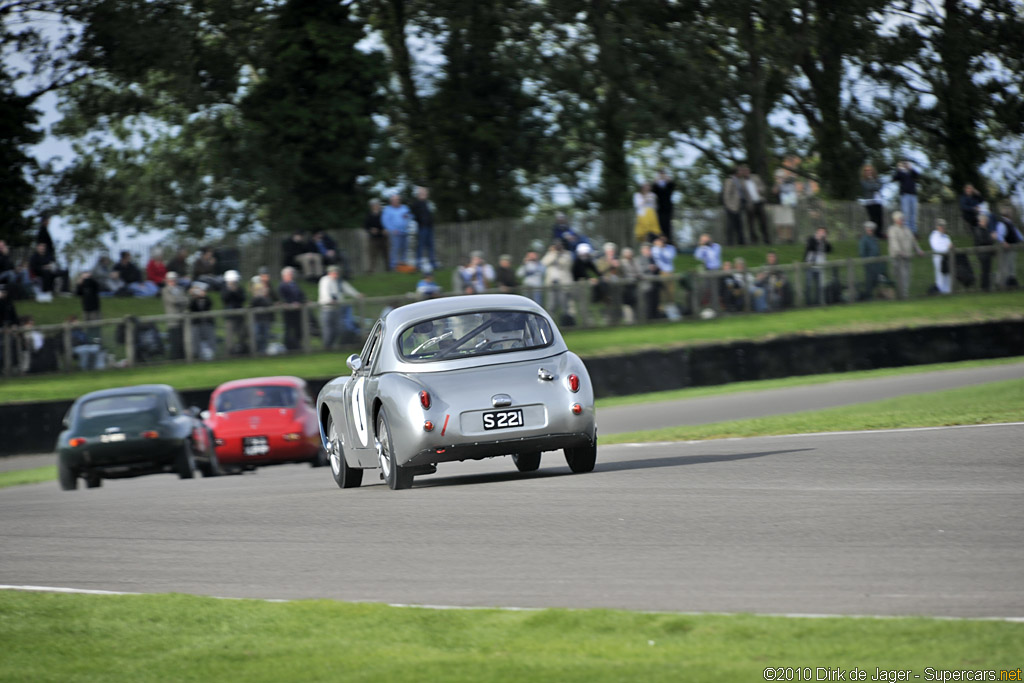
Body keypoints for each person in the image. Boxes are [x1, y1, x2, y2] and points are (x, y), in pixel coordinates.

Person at [318, 265, 362, 349]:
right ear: (330, 273)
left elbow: (347, 288)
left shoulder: (338, 281)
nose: (336, 274)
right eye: (334, 273)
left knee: (338, 329)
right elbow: (325, 292)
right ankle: (326, 347)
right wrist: (329, 299)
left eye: (337, 273)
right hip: (327, 309)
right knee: (328, 329)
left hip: (336, 309)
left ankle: (332, 346)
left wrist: (357, 294)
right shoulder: (325, 280)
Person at [888, 211, 924, 299]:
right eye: (900, 218)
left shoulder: (907, 229)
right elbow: (894, 243)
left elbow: (913, 241)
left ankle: (904, 295)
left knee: (907, 276)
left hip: (907, 257)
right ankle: (901, 296)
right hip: (898, 258)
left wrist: (918, 250)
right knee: (900, 277)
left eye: (902, 218)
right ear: (895, 220)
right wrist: (899, 251)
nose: (902, 220)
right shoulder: (892, 230)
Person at [541, 240, 573, 320]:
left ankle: (565, 322)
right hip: (551, 283)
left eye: (559, 245)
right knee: (551, 305)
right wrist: (553, 253)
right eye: (556, 245)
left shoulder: (567, 254)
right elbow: (544, 263)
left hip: (563, 284)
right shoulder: (550, 254)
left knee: (564, 304)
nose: (558, 247)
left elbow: (563, 264)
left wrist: (559, 254)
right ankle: (551, 321)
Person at [991, 205, 1022, 288]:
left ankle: (1010, 283)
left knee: (1011, 265)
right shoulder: (1003, 223)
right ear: (1008, 214)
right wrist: (1003, 242)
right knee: (1004, 266)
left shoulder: (1010, 223)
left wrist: (1021, 240)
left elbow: (1017, 234)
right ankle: (1001, 284)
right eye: (1010, 212)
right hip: (1006, 248)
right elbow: (1000, 235)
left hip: (1012, 247)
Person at [278, 266, 306, 351]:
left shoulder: (294, 284)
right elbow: (282, 298)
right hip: (288, 312)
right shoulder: (282, 286)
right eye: (289, 274)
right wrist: (291, 303)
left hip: (297, 311)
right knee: (288, 329)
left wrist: (300, 301)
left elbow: (301, 295)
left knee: (298, 328)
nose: (291, 275)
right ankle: (288, 347)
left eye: (291, 274)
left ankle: (297, 345)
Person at [162, 271, 189, 359]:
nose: (173, 282)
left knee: (183, 341)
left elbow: (187, 301)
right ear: (167, 281)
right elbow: (173, 301)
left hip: (182, 320)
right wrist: (181, 299)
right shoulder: (165, 290)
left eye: (174, 280)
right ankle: (175, 360)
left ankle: (183, 358)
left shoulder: (180, 289)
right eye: (170, 280)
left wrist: (180, 300)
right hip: (173, 321)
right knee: (175, 342)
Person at [382, 194, 411, 270]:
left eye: (397, 200)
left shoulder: (404, 208)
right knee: (395, 249)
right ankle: (393, 266)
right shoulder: (388, 209)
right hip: (395, 232)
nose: (396, 201)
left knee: (404, 248)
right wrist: (392, 229)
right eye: (394, 200)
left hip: (405, 231)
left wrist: (407, 217)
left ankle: (403, 263)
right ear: (391, 201)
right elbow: (385, 221)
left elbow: (410, 216)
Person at [803, 227, 832, 304]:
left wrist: (825, 241)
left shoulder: (824, 242)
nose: (822, 234)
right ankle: (808, 303)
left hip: (820, 267)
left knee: (819, 286)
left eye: (824, 232)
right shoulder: (811, 239)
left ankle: (818, 302)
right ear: (817, 232)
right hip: (810, 266)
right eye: (821, 232)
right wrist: (818, 240)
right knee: (809, 285)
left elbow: (830, 250)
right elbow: (811, 247)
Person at [221, 269, 247, 354]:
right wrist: (230, 290)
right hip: (230, 317)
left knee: (242, 334)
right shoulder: (224, 289)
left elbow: (242, 299)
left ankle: (242, 350)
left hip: (239, 316)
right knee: (229, 336)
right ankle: (229, 352)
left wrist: (235, 291)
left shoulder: (239, 289)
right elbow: (225, 299)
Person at [188, 281, 216, 360]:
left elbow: (209, 304)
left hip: (206, 322)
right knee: (196, 339)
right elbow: (191, 306)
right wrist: (193, 296)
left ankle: (210, 355)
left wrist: (204, 296)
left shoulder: (207, 299)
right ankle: (197, 355)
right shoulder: (193, 300)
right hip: (197, 323)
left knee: (209, 338)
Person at [410, 186, 436, 271]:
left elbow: (430, 214)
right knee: (420, 246)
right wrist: (420, 220)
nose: (425, 194)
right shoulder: (416, 204)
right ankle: (418, 264)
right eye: (424, 193)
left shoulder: (427, 203)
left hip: (429, 227)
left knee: (431, 246)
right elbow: (413, 215)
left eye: (426, 193)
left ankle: (433, 263)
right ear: (419, 194)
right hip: (422, 227)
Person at [858, 221, 885, 300]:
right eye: (868, 228)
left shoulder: (875, 239)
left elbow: (878, 251)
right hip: (869, 263)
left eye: (871, 229)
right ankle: (868, 296)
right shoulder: (864, 239)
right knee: (869, 281)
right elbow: (862, 253)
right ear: (866, 229)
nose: (870, 230)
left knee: (876, 280)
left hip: (876, 264)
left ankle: (872, 295)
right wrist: (866, 262)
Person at [892, 159, 920, 234]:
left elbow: (917, 175)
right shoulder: (901, 173)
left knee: (913, 213)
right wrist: (899, 168)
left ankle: (914, 231)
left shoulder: (911, 172)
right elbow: (894, 178)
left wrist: (910, 168)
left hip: (913, 195)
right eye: (903, 164)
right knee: (906, 213)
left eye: (906, 164)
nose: (905, 165)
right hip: (905, 195)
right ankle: (907, 231)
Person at [249, 276, 274, 354]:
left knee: (265, 336)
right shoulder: (254, 299)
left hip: (264, 320)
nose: (259, 291)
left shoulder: (265, 298)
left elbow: (268, 304)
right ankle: (257, 351)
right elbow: (252, 304)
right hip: (257, 320)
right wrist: (258, 297)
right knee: (257, 336)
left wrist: (262, 296)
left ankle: (263, 350)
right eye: (258, 290)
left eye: (260, 290)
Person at [860, 164, 885, 239]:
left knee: (880, 218)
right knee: (873, 218)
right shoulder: (863, 180)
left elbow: (880, 185)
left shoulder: (877, 178)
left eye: (870, 170)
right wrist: (875, 185)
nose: (868, 172)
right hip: (869, 201)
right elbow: (868, 187)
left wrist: (874, 185)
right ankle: (872, 234)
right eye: (866, 170)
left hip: (878, 201)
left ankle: (879, 233)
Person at [928, 219, 953, 294]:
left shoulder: (946, 236)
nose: (943, 228)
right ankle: (940, 291)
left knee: (948, 275)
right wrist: (947, 248)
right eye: (941, 226)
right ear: (937, 227)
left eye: (944, 226)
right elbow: (936, 247)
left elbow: (950, 245)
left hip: (947, 258)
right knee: (940, 275)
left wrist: (950, 248)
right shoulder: (934, 236)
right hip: (938, 259)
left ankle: (948, 291)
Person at [651, 169, 675, 241]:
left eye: (663, 174)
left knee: (667, 225)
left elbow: (673, 186)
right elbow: (653, 190)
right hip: (660, 208)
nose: (662, 176)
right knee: (660, 225)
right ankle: (660, 240)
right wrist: (656, 180)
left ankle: (668, 240)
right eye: (660, 174)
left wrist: (668, 179)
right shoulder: (657, 185)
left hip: (667, 208)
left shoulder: (668, 184)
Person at [974, 212, 996, 291]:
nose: (986, 223)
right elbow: (982, 241)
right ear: (981, 221)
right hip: (983, 254)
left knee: (987, 270)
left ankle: (987, 287)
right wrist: (991, 238)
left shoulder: (985, 230)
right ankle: (984, 287)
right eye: (985, 221)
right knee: (985, 271)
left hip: (987, 254)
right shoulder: (978, 230)